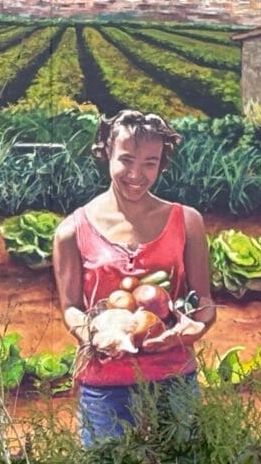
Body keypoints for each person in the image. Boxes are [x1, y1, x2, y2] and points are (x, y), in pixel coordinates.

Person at [52, 109, 217, 445]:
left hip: (175, 382)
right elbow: (70, 306)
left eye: (150, 163)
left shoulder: (186, 222)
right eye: (126, 160)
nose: (136, 174)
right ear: (106, 154)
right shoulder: (72, 230)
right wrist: (96, 336)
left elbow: (205, 303)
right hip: (105, 387)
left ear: (162, 164)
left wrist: (191, 330)